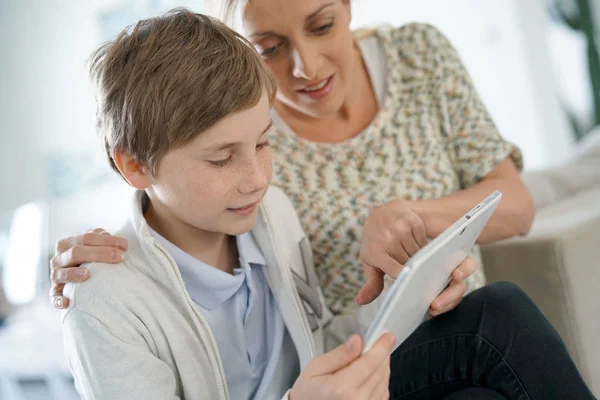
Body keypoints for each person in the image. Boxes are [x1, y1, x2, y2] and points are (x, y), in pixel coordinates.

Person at [59, 8, 596, 400]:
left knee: (490, 334)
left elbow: (314, 345)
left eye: (265, 144)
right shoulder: (105, 301)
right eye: (222, 159)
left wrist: (400, 292)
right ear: (133, 166)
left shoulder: (271, 217)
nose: (255, 179)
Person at [49, 0, 536, 317]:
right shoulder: (245, 125)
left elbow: (517, 206)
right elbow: (175, 198)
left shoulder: (419, 56)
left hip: (465, 318)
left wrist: (412, 219)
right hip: (358, 359)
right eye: (269, 48)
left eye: (322, 26)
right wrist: (102, 260)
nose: (307, 68)